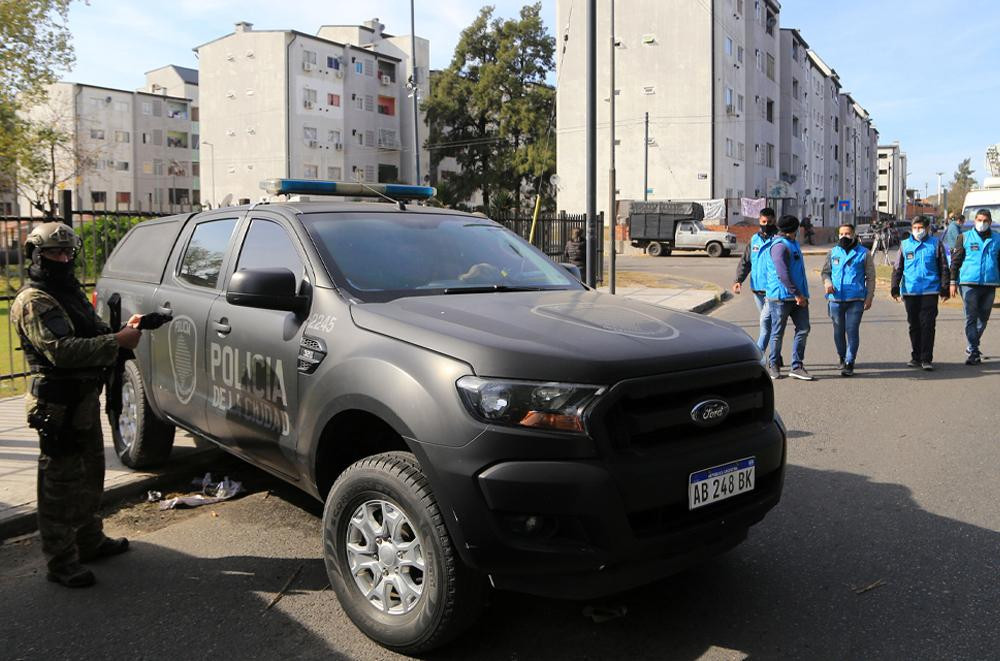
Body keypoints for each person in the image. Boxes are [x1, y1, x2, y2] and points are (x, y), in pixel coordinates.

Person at [10, 222, 143, 588]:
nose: (64, 259)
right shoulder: (35, 300)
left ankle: (89, 540)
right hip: (57, 405)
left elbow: (92, 329)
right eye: (55, 253)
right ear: (37, 256)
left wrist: (125, 328)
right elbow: (61, 351)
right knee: (60, 484)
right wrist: (117, 341)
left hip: (82, 401)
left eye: (68, 253)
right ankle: (61, 561)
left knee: (90, 475)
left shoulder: (66, 292)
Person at [890, 217, 950, 370]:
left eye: (920, 227)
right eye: (915, 227)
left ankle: (926, 358)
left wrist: (944, 288)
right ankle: (915, 356)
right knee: (914, 325)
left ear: (927, 228)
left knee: (928, 325)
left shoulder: (936, 244)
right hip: (910, 291)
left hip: (930, 290)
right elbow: (897, 268)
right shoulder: (904, 245)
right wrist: (895, 287)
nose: (918, 230)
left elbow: (943, 267)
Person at [763, 214, 814, 381]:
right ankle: (773, 364)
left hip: (797, 297)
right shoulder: (780, 246)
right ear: (795, 229)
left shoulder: (792, 244)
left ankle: (797, 366)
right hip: (781, 297)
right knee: (777, 332)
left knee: (803, 329)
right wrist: (797, 294)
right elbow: (782, 274)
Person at [821, 224, 875, 377]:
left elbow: (871, 277)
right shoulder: (832, 252)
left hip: (855, 299)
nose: (844, 236)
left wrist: (869, 297)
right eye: (841, 233)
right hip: (835, 299)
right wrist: (827, 283)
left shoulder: (864, 253)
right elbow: (825, 272)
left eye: (848, 233)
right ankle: (842, 356)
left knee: (852, 331)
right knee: (838, 331)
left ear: (854, 235)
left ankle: (850, 361)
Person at [732, 208, 783, 366]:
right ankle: (776, 355)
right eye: (763, 222)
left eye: (769, 222)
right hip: (757, 289)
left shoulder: (779, 240)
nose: (766, 225)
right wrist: (738, 280)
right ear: (759, 221)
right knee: (771, 323)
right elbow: (746, 261)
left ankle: (756, 357)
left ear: (775, 221)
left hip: (772, 290)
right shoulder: (754, 239)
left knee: (765, 324)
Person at [949, 209, 1000, 365]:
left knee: (983, 318)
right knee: (971, 317)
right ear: (974, 221)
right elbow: (955, 262)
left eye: (985, 220)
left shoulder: (998, 239)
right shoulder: (963, 237)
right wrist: (952, 282)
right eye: (979, 219)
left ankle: (972, 345)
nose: (981, 223)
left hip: (990, 283)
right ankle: (973, 350)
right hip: (968, 284)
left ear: (990, 222)